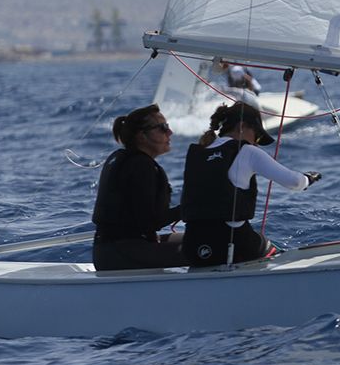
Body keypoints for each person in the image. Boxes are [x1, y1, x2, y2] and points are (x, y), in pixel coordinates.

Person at [180, 102, 321, 267]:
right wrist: (308, 178)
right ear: (241, 127)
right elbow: (294, 182)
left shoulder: (198, 153)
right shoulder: (247, 151)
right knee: (271, 250)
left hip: (192, 247)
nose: (256, 143)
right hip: (231, 246)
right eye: (257, 136)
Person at [91, 104, 184, 270]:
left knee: (198, 239)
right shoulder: (141, 166)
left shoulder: (123, 159)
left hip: (108, 250)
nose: (170, 132)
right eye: (162, 128)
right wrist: (189, 209)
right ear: (142, 136)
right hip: (123, 253)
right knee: (210, 249)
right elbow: (151, 221)